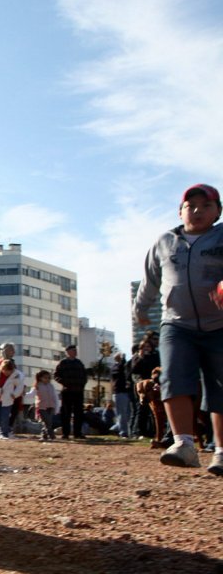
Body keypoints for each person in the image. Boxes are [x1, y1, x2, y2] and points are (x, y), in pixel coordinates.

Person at [133, 183, 223, 475]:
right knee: (173, 377)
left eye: (206, 206)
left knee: (220, 385)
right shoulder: (165, 242)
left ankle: (221, 451)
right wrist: (140, 308)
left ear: (218, 212)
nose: (197, 211)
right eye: (191, 206)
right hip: (176, 323)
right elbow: (150, 279)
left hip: (219, 325)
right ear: (180, 211)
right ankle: (183, 444)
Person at [0, 358, 26, 440]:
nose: (7, 373)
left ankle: (3, 433)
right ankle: (6, 430)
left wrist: (15, 394)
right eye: (5, 370)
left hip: (7, 400)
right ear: (2, 368)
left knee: (4, 417)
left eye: (9, 371)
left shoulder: (16, 376)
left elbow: (20, 386)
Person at [54, 344, 87, 439]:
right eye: (73, 350)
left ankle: (77, 433)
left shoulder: (79, 363)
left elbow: (84, 376)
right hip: (67, 391)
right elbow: (56, 375)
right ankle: (66, 433)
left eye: (75, 350)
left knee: (79, 413)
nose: (75, 352)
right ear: (68, 352)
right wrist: (65, 383)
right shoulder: (63, 363)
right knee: (66, 413)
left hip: (78, 391)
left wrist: (82, 384)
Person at [109, 352, 132, 438]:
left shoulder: (119, 367)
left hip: (123, 392)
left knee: (127, 413)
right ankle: (122, 431)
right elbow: (120, 369)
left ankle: (122, 430)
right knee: (122, 414)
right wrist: (123, 360)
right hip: (119, 392)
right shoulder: (115, 367)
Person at [33, 370, 60, 441]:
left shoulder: (51, 386)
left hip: (51, 407)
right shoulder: (37, 386)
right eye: (45, 377)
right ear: (40, 378)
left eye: (48, 378)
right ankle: (51, 436)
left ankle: (44, 435)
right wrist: (24, 394)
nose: (47, 379)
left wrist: (57, 407)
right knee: (47, 421)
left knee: (48, 422)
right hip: (41, 407)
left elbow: (55, 397)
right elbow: (31, 394)